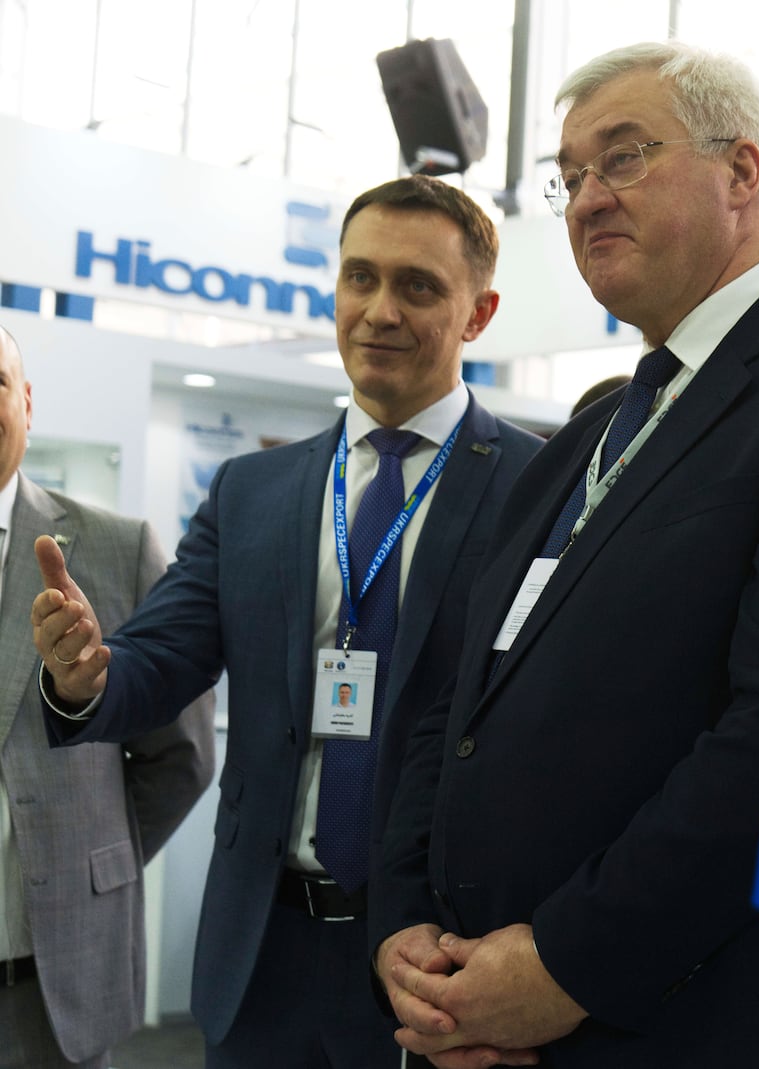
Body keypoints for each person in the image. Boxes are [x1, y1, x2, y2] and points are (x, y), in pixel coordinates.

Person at [370, 41, 759, 1068]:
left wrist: (569, 963)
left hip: (715, 1021)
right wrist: (404, 924)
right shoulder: (594, 431)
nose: (584, 200)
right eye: (566, 177)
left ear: (742, 173)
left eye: (622, 157)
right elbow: (459, 701)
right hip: (492, 1013)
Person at [29, 176, 542, 1068]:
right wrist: (88, 677)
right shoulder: (253, 490)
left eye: (418, 286)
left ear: (479, 312)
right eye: (359, 278)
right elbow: (164, 654)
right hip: (260, 949)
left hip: (437, 955)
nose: (379, 310)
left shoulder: (537, 489)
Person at [0, 324, 213, 1069]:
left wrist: (89, 867)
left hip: (45, 983)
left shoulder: (114, 549)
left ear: (26, 403)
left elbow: (179, 755)